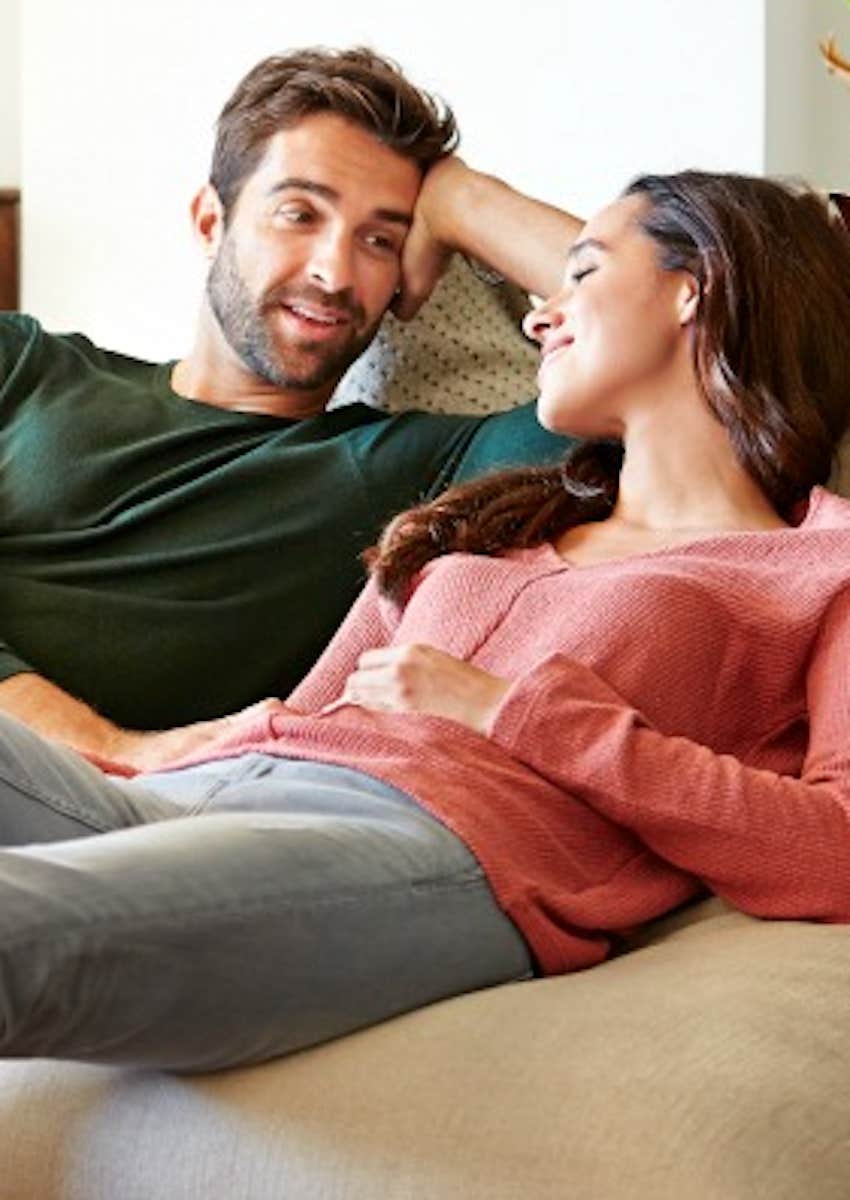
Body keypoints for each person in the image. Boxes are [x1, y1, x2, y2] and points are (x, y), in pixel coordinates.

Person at [2, 169, 850, 1074]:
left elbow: (831, 852)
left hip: (424, 846)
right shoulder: (483, 522)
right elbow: (310, 712)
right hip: (213, 794)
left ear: (697, 287)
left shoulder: (820, 566)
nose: (541, 315)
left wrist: (517, 714)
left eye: (585, 274)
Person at [0, 46, 579, 771]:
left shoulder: (415, 468)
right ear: (211, 222)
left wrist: (467, 200)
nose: (335, 272)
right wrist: (111, 748)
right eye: (299, 213)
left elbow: (688, 338)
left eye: (380, 239)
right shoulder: (20, 364)